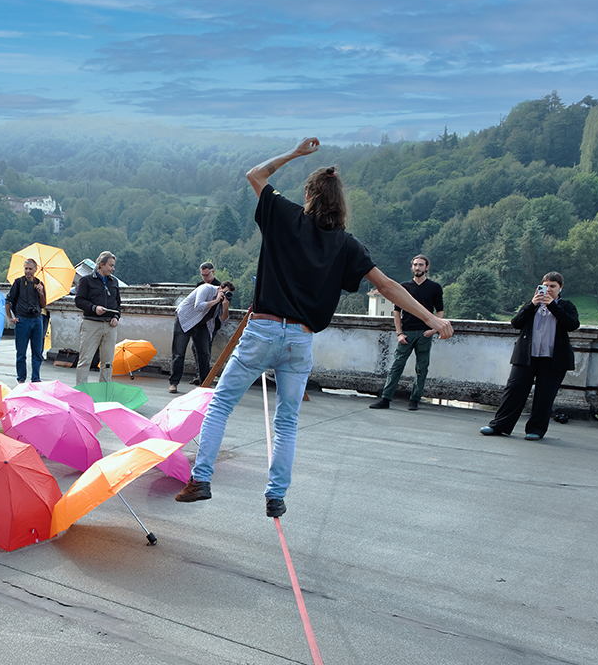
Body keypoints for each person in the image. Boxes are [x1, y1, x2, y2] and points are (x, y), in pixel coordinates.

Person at [175, 138, 453, 518]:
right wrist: (433, 318)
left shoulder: (284, 215)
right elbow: (388, 286)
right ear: (340, 205)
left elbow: (254, 174)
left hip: (263, 330)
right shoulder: (345, 245)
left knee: (221, 404)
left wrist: (295, 153)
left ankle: (201, 479)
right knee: (287, 421)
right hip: (300, 340)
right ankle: (275, 497)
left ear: (308, 194)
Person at [479, 272, 580, 440]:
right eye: (545, 286)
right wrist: (533, 304)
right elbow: (516, 322)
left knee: (544, 395)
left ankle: (536, 429)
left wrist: (552, 306)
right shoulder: (532, 304)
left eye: (552, 286)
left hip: (553, 358)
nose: (548, 289)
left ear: (560, 288)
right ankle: (499, 425)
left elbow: (572, 324)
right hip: (527, 356)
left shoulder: (567, 305)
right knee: (514, 390)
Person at [369, 253, 445, 411]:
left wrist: (433, 330)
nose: (417, 267)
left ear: (427, 267)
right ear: (412, 267)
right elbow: (397, 311)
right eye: (415, 265)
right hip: (407, 332)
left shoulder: (434, 287)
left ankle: (415, 399)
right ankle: (386, 398)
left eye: (421, 265)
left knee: (422, 368)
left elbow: (440, 312)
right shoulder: (404, 287)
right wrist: (399, 333)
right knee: (396, 366)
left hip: (424, 333)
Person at [169, 279, 234, 394]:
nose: (225, 295)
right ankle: (173, 383)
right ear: (219, 288)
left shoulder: (224, 302)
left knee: (204, 354)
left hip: (202, 325)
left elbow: (223, 319)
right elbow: (198, 306)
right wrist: (216, 300)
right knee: (179, 353)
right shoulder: (206, 288)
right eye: (224, 292)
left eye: (228, 294)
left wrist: (225, 307)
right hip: (185, 321)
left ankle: (205, 384)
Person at [75, 251, 122, 385]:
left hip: (109, 326)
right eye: (111, 265)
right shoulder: (86, 280)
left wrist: (116, 316)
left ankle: (105, 390)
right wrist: (94, 308)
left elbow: (118, 304)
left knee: (107, 362)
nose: (113, 269)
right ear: (101, 265)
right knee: (85, 360)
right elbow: (79, 301)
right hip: (91, 323)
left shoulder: (114, 282)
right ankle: (81, 390)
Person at [5, 258, 46, 384]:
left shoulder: (39, 283)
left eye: (30, 269)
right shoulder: (18, 283)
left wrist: (41, 293)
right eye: (26, 268)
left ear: (35, 269)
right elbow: (8, 301)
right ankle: (21, 379)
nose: (28, 271)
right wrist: (10, 317)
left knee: (37, 352)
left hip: (37, 320)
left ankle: (36, 378)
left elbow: (43, 304)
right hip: (22, 320)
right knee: (21, 352)